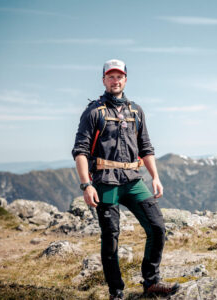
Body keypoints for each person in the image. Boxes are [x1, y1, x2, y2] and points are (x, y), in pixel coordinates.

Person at [72, 59, 179, 300]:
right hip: (105, 182)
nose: (115, 80)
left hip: (133, 180)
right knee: (110, 238)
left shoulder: (136, 110)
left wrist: (156, 177)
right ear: (103, 80)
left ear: (125, 80)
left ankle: (151, 282)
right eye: (110, 76)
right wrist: (86, 185)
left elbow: (146, 147)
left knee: (157, 228)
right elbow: (80, 150)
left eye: (119, 76)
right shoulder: (93, 111)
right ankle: (116, 292)